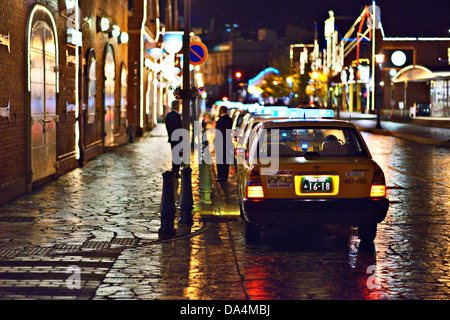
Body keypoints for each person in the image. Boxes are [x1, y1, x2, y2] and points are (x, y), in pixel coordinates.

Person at [214, 106, 233, 181]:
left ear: (221, 111)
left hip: (220, 142)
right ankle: (225, 176)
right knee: (226, 160)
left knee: (220, 160)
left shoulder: (220, 120)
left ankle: (220, 176)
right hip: (227, 142)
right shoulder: (230, 120)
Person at [165, 100, 183, 178]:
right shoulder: (177, 116)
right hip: (177, 138)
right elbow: (179, 127)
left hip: (172, 138)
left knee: (174, 154)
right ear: (177, 106)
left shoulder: (168, 115)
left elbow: (167, 126)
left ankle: (175, 171)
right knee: (178, 156)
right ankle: (176, 172)